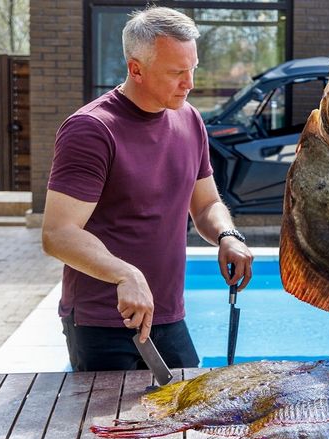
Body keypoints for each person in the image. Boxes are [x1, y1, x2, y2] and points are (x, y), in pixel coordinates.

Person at [42, 6, 253, 371]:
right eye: (176, 73)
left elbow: (205, 205)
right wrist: (126, 273)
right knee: (112, 428)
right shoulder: (92, 130)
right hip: (103, 322)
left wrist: (227, 235)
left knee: (187, 423)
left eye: (192, 69)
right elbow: (58, 234)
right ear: (135, 69)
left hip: (168, 315)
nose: (189, 83)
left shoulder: (189, 119)